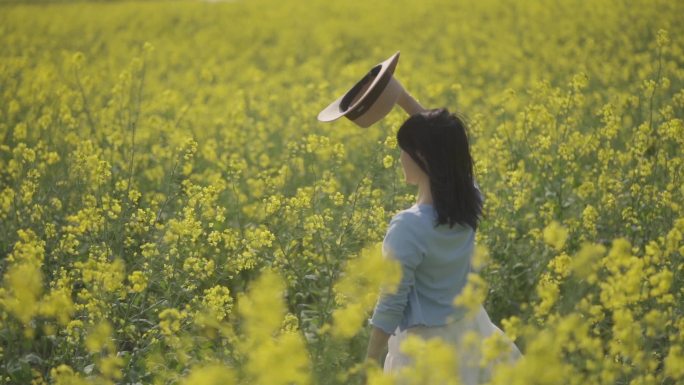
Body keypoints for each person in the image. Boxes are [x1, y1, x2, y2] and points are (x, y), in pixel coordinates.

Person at [364, 107, 523, 384]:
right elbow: (447, 145)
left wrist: (369, 364)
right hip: (471, 331)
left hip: (426, 350)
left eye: (405, 150)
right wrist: (401, 97)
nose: (400, 158)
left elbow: (391, 302)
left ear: (423, 156)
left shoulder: (408, 226)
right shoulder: (469, 202)